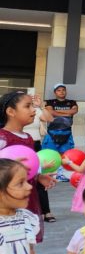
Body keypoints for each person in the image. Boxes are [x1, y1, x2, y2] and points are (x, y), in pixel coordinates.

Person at [0, 91, 55, 242]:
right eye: (27, 106)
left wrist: (38, 176)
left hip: (27, 195)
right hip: (7, 198)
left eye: (33, 106)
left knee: (28, 239)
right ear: (11, 111)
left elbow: (28, 165)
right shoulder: (2, 137)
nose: (33, 110)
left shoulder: (29, 138)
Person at [44, 84, 78, 187]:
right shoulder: (49, 102)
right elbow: (50, 112)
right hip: (52, 132)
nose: (61, 92)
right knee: (50, 154)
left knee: (65, 154)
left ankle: (61, 174)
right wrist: (66, 113)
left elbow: (74, 111)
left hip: (66, 132)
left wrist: (56, 112)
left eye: (63, 90)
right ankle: (49, 175)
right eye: (59, 90)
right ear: (55, 92)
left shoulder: (72, 102)